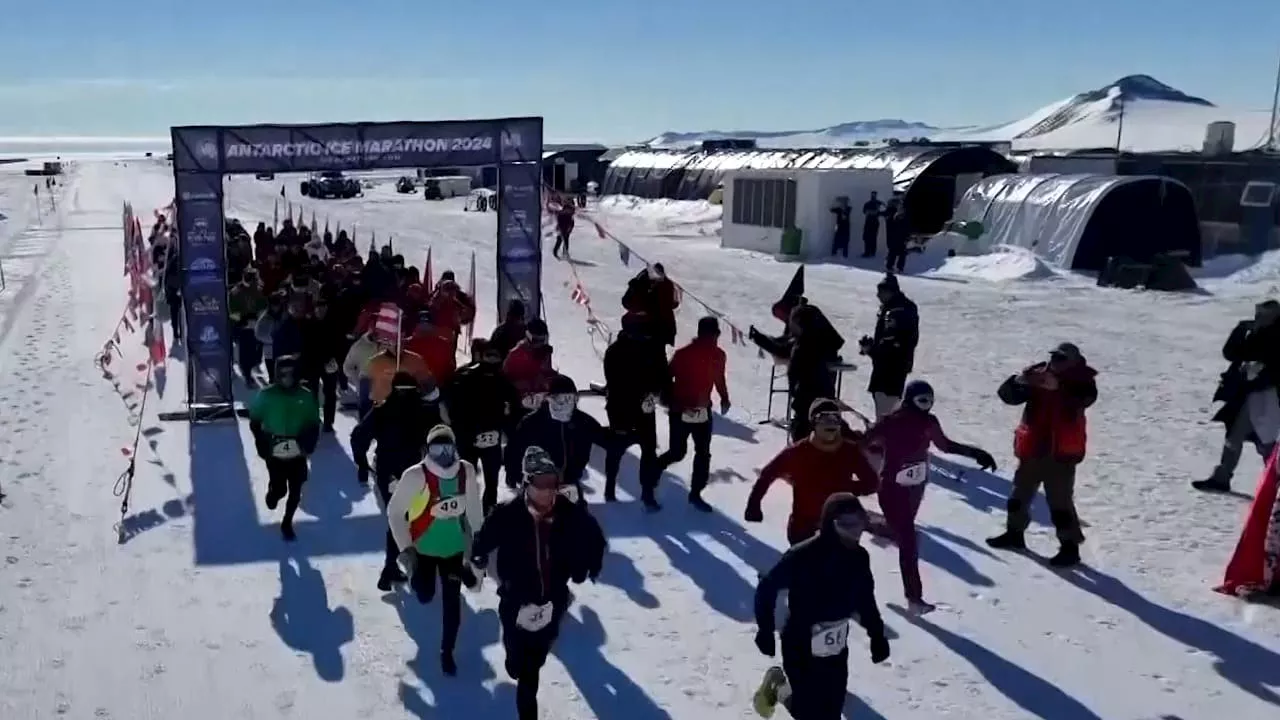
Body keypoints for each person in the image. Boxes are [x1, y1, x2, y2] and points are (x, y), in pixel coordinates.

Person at [469, 446, 606, 720]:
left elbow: (595, 538)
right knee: (518, 665)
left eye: (551, 483)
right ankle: (513, 656)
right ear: (526, 483)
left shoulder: (569, 512)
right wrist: (478, 555)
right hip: (515, 599)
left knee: (534, 665)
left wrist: (589, 566)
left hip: (553, 600)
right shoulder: (507, 514)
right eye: (540, 484)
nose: (546, 491)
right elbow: (484, 537)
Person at [752, 493, 890, 720]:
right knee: (809, 714)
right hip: (800, 644)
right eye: (848, 526)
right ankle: (778, 686)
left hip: (835, 649)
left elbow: (865, 598)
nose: (855, 533)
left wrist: (877, 634)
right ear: (831, 525)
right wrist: (765, 630)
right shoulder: (802, 555)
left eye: (859, 525)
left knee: (831, 713)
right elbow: (767, 588)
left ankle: (780, 687)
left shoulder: (859, 558)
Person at [862, 380, 995, 613]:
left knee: (902, 530)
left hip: (916, 486)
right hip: (892, 487)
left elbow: (944, 446)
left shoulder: (929, 422)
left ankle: (870, 524)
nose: (927, 406)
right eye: (922, 400)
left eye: (930, 401)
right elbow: (864, 442)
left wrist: (976, 453)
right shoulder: (891, 422)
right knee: (908, 539)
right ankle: (914, 599)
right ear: (909, 399)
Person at [987, 342, 1098, 567]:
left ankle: (1070, 548)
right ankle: (1014, 534)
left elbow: (1084, 400)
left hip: (1061, 453)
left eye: (1061, 359)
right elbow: (1008, 396)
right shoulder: (1039, 375)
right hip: (1034, 448)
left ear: (1073, 362)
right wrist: (1018, 381)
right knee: (1019, 494)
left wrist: (1058, 388)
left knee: (1060, 502)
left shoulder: (1083, 380)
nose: (1055, 362)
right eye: (1054, 357)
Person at [387, 424, 484, 677]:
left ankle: (447, 652)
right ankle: (417, 579)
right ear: (427, 449)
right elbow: (395, 512)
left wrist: (478, 544)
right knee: (424, 594)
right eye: (436, 448)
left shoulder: (466, 471)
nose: (443, 454)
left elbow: (474, 509)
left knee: (452, 605)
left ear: (455, 447)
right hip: (423, 551)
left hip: (453, 549)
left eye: (447, 447)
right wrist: (406, 550)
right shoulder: (415, 475)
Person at [745, 399, 880, 545]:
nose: (830, 423)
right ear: (813, 423)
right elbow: (768, 474)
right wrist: (754, 503)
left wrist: (846, 488)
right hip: (803, 529)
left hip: (838, 528)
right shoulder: (798, 452)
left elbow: (872, 482)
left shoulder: (850, 451)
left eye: (835, 418)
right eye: (824, 418)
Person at [1195, 299, 1280, 493]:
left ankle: (1275, 483)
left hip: (1269, 397)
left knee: (1266, 442)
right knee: (1235, 435)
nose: (1259, 316)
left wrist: (1261, 371)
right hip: (1247, 395)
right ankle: (1222, 478)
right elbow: (1231, 353)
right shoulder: (1254, 330)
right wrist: (1240, 330)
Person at [656, 316, 730, 512]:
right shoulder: (683, 355)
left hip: (703, 410)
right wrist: (673, 399)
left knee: (703, 453)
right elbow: (665, 377)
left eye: (713, 336)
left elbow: (719, 378)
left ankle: (696, 493)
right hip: (681, 410)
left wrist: (724, 397)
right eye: (710, 335)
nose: (712, 339)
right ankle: (654, 469)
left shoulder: (718, 355)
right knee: (677, 452)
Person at [248, 355, 321, 540]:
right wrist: (260, 441)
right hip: (275, 450)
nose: (287, 377)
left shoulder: (305, 395)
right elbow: (255, 420)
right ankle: (274, 494)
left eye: (291, 373)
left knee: (296, 491)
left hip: (298, 449)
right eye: (283, 373)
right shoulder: (266, 395)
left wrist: (310, 442)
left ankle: (287, 522)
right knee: (281, 489)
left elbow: (313, 422)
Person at [505, 374, 609, 503]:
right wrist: (513, 473)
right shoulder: (532, 422)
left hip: (570, 481)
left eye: (570, 398)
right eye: (560, 399)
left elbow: (607, 440)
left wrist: (630, 433)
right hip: (538, 483)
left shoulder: (583, 422)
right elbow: (514, 449)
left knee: (576, 517)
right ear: (549, 399)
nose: (565, 403)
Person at [602, 312, 670, 509]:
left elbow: (662, 376)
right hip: (621, 408)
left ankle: (647, 493)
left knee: (649, 451)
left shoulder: (652, 349)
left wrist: (657, 393)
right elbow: (614, 382)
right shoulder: (615, 351)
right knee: (616, 448)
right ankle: (610, 486)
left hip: (644, 409)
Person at [448, 339, 521, 513]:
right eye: (490, 356)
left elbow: (513, 404)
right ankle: (474, 511)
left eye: (495, 357)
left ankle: (482, 512)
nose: (492, 361)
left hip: (483, 436)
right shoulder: (467, 376)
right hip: (477, 435)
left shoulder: (499, 378)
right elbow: (454, 408)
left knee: (483, 479)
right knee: (476, 479)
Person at [858, 274, 918, 419]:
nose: (877, 295)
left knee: (886, 416)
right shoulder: (896, 308)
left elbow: (893, 348)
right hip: (891, 370)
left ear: (890, 291)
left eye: (881, 292)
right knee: (887, 411)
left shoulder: (898, 312)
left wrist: (871, 349)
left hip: (890, 372)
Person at [502, 318, 555, 420]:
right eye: (536, 340)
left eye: (542, 340)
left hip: (542, 402)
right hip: (521, 406)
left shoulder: (544, 353)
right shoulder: (516, 355)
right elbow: (506, 383)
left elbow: (547, 375)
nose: (539, 344)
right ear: (528, 337)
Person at [228, 266, 266, 386]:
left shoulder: (259, 290)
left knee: (258, 350)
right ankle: (247, 375)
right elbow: (232, 313)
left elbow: (263, 306)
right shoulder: (235, 292)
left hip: (257, 325)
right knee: (245, 353)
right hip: (243, 328)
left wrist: (259, 318)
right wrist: (243, 321)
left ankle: (255, 365)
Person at [883, 196, 909, 274]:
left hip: (901, 236)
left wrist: (907, 237)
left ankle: (899, 268)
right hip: (894, 236)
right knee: (893, 252)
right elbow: (890, 224)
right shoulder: (892, 215)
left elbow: (906, 226)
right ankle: (890, 266)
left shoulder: (904, 216)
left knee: (902, 253)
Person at [860, 192, 883, 258]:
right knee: (866, 237)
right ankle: (867, 252)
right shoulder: (867, 203)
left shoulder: (878, 203)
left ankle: (872, 252)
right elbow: (865, 211)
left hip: (874, 222)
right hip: (868, 222)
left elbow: (879, 212)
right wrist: (873, 212)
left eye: (874, 195)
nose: (873, 196)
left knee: (873, 238)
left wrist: (874, 212)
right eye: (872, 195)